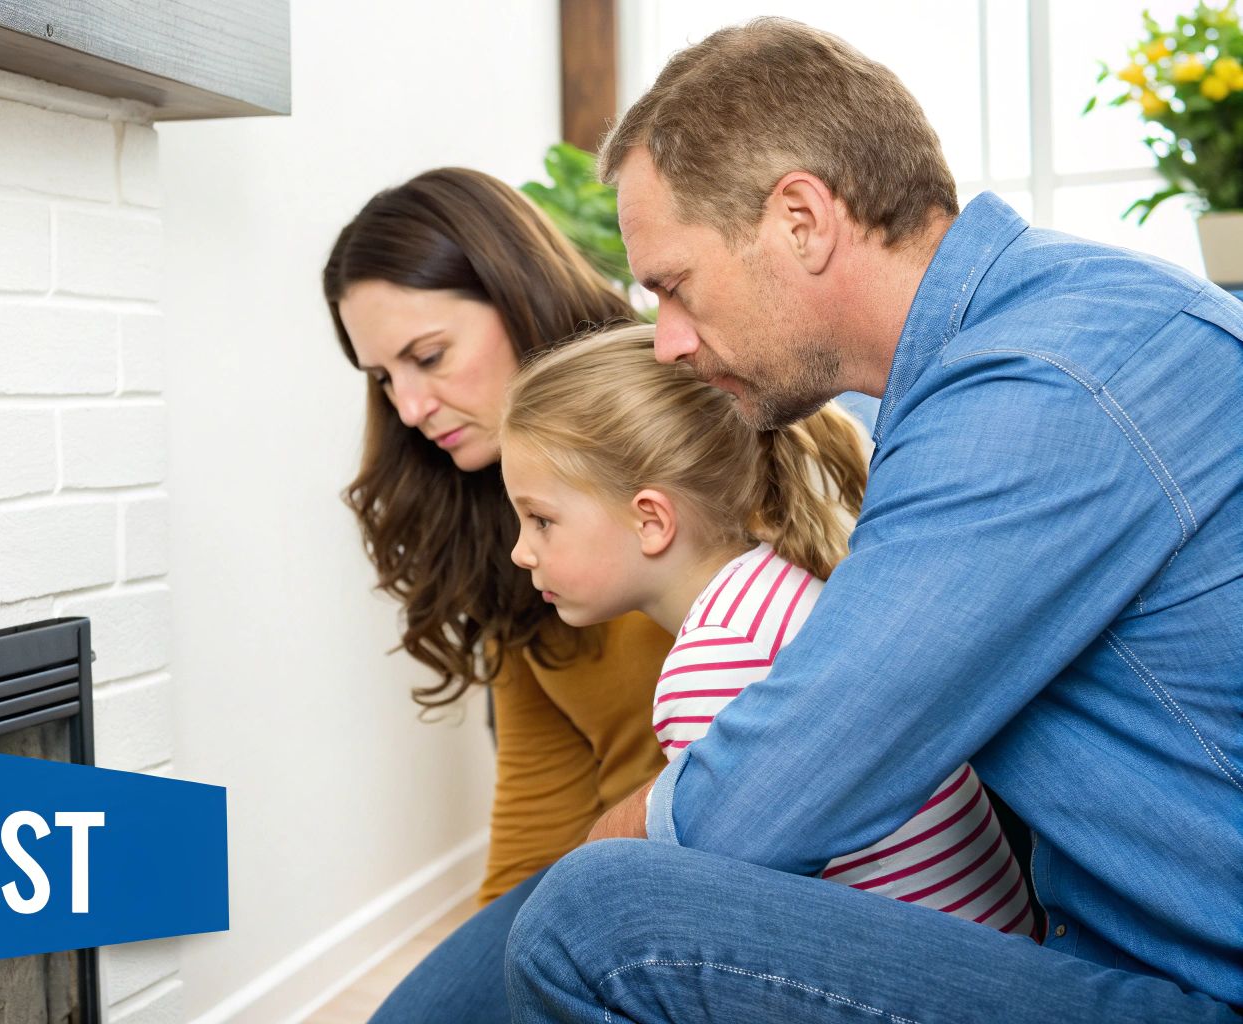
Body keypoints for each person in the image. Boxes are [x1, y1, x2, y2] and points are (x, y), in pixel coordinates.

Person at [505, 18, 1243, 1023]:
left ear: (801, 219)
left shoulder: (1035, 389)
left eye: (673, 286)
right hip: (1123, 934)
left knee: (592, 916)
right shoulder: (1035, 328)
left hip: (1201, 984)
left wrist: (600, 845)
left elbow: (760, 804)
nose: (665, 342)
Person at [500, 322, 1037, 939]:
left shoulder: (713, 662)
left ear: (651, 519)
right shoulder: (780, 585)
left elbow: (730, 916)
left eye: (540, 520)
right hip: (1000, 933)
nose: (521, 551)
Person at [321, 167, 673, 1021]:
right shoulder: (491, 515)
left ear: (517, 297)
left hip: (707, 865)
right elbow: (537, 788)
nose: (407, 407)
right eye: (382, 378)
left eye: (428, 357)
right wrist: (494, 969)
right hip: (598, 877)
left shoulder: (693, 422)